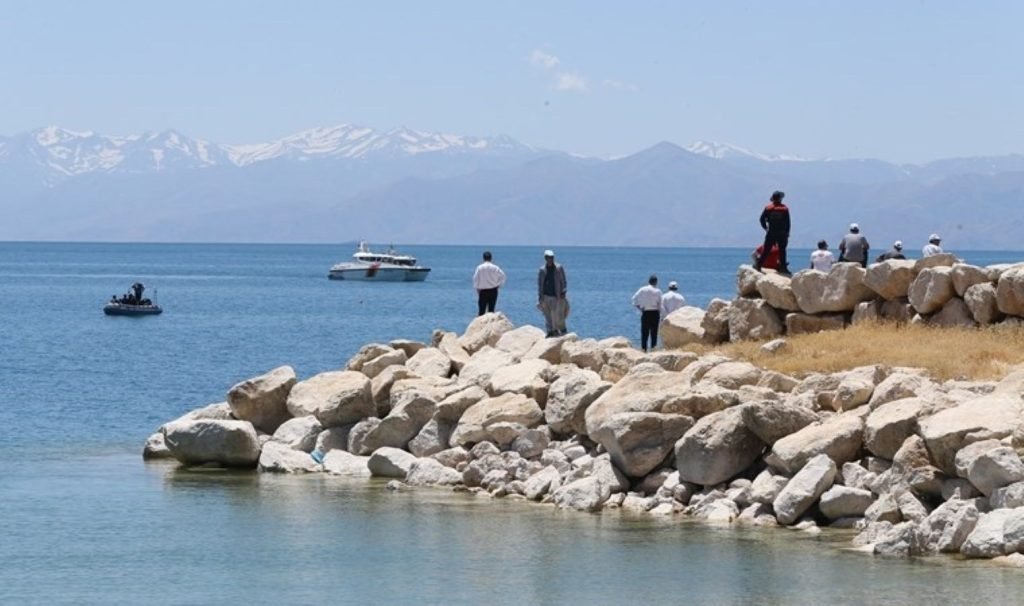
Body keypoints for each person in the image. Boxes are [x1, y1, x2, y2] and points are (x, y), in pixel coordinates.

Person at [755, 191, 790, 275]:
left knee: (766, 249)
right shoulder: (784, 209)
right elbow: (788, 222)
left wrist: (766, 228)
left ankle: (758, 265)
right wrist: (787, 232)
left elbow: (761, 219)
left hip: (771, 232)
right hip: (782, 233)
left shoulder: (768, 208)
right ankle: (783, 268)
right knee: (782, 250)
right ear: (780, 199)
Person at [537, 250, 568, 337]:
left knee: (558, 314)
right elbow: (540, 284)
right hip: (546, 295)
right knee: (547, 314)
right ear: (545, 258)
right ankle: (550, 331)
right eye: (548, 258)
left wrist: (564, 291)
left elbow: (564, 281)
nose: (550, 259)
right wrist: (540, 297)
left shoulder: (559, 268)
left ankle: (562, 330)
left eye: (552, 258)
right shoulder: (542, 270)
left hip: (557, 295)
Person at [631, 275, 663, 352]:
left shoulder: (642, 289)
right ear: (656, 282)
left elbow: (634, 300)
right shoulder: (658, 291)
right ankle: (653, 349)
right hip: (655, 312)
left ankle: (643, 350)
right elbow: (660, 304)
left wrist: (640, 308)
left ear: (648, 281)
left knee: (644, 332)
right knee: (654, 333)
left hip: (645, 312)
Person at [472, 250, 507, 316]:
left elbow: (475, 279)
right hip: (493, 290)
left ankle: (481, 325)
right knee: (491, 310)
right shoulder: (495, 267)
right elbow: (503, 276)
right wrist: (499, 285)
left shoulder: (479, 267)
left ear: (483, 258)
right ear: (491, 258)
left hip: (483, 291)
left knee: (481, 311)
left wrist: (477, 289)